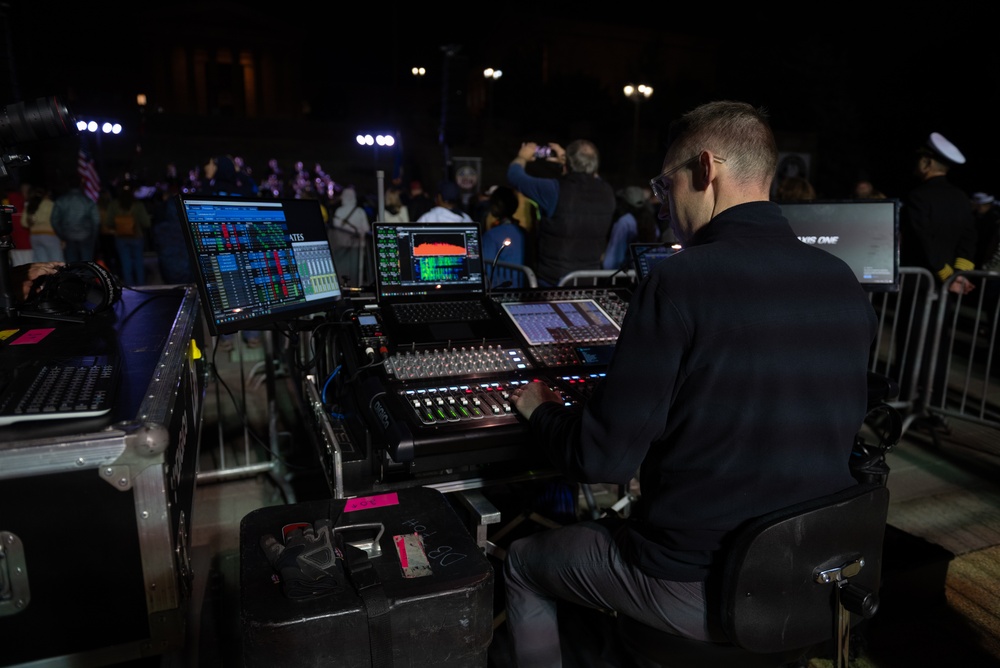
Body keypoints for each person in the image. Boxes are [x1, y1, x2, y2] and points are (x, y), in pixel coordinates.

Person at [503, 100, 878, 667]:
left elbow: (600, 458)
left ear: (706, 170)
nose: (661, 199)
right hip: (803, 577)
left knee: (524, 561)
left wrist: (540, 410)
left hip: (692, 583)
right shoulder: (843, 281)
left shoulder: (679, 282)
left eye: (664, 181)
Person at [897, 132, 978, 405]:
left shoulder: (918, 196)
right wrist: (958, 275)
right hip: (947, 286)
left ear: (928, 163)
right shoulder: (960, 197)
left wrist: (946, 276)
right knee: (939, 345)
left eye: (921, 158)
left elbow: (925, 241)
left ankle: (906, 400)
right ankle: (936, 404)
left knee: (910, 342)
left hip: (921, 284)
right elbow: (969, 238)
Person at [506, 139, 616, 286]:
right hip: (588, 280)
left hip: (554, 282)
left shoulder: (554, 190)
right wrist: (568, 160)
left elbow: (515, 176)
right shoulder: (607, 192)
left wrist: (522, 157)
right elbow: (592, 174)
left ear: (567, 164)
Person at [103, 181, 151, 287]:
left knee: (125, 263)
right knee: (139, 262)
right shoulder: (138, 205)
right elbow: (146, 223)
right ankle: (142, 286)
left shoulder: (114, 204)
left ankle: (130, 288)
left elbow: (108, 222)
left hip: (121, 237)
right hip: (137, 236)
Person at [601, 185, 659, 270]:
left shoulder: (624, 222)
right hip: (646, 268)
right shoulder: (651, 221)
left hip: (626, 272)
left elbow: (614, 255)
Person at [481, 185, 527, 288]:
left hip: (500, 291)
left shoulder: (491, 235)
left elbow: (486, 271)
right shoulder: (523, 232)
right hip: (523, 291)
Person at [50, 174, 101, 263]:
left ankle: (74, 277)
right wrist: (93, 236)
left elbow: (54, 220)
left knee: (72, 265)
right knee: (88, 265)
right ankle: (86, 277)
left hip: (69, 236)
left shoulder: (61, 201)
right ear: (81, 185)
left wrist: (62, 234)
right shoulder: (87, 201)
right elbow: (96, 221)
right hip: (86, 236)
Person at [328, 185, 372, 288]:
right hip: (357, 248)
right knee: (355, 273)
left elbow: (335, 228)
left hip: (341, 248)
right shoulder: (360, 211)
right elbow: (366, 229)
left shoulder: (339, 211)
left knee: (341, 272)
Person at [21, 185, 63, 262]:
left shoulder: (30, 205)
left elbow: (24, 223)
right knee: (56, 261)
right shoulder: (50, 204)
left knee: (41, 262)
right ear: (46, 194)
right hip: (50, 236)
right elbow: (58, 221)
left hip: (35, 236)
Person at [971, 192, 1000, 269]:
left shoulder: (992, 219)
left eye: (982, 205)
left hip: (985, 259)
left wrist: (987, 266)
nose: (979, 208)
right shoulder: (975, 217)